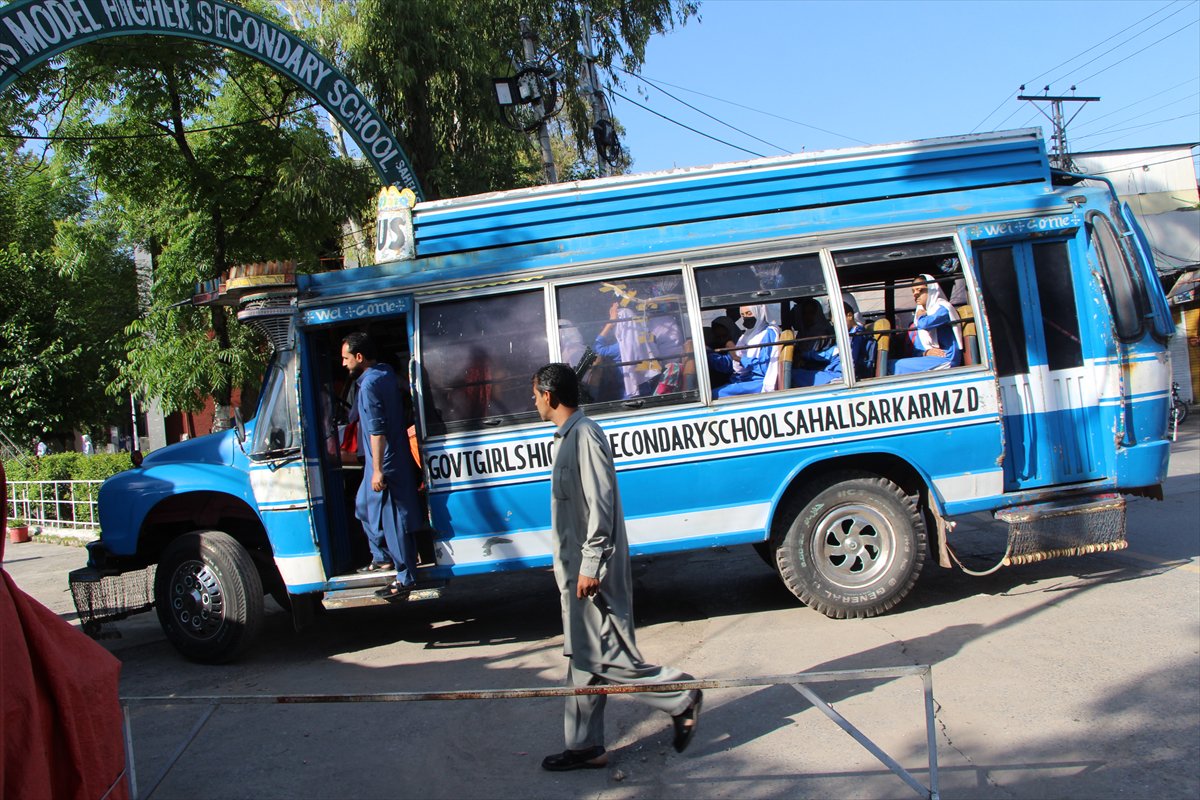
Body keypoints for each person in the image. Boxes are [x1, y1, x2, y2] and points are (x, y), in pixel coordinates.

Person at [532, 363, 702, 771]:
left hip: (592, 574)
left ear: (549, 396)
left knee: (605, 655)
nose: (534, 402)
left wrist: (590, 564)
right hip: (576, 571)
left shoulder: (584, 436)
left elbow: (601, 504)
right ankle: (585, 747)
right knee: (583, 657)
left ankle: (679, 695)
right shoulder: (567, 437)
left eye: (535, 395)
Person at [341, 332, 424, 598]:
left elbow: (377, 431)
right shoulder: (385, 373)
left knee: (393, 519)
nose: (343, 363)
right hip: (387, 457)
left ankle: (405, 576)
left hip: (384, 460)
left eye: (346, 358)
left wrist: (377, 470)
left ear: (359, 357)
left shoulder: (368, 386)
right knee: (363, 507)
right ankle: (383, 556)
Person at [890, 275, 963, 375]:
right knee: (890, 364)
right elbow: (917, 346)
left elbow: (925, 324)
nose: (915, 294)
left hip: (946, 358)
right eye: (913, 291)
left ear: (931, 290)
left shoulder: (943, 308)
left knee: (894, 366)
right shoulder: (921, 313)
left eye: (920, 290)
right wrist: (926, 352)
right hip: (931, 359)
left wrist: (921, 316)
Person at [714, 304, 782, 397]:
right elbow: (733, 363)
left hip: (758, 381)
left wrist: (740, 359)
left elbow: (764, 367)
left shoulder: (768, 333)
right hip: (745, 378)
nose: (746, 317)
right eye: (743, 315)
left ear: (759, 313)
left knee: (716, 394)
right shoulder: (747, 336)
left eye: (749, 313)